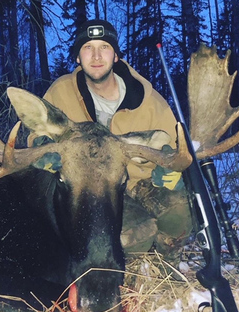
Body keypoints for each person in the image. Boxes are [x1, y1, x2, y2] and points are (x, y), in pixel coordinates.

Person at [41, 19, 192, 256]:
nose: (97, 56)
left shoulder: (149, 101)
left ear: (116, 57)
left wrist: (174, 171)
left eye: (105, 47)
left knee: (180, 215)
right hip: (91, 189)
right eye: (88, 48)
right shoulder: (60, 92)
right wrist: (42, 148)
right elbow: (38, 134)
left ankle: (166, 255)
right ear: (78, 58)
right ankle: (138, 249)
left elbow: (175, 150)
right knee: (129, 238)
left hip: (139, 182)